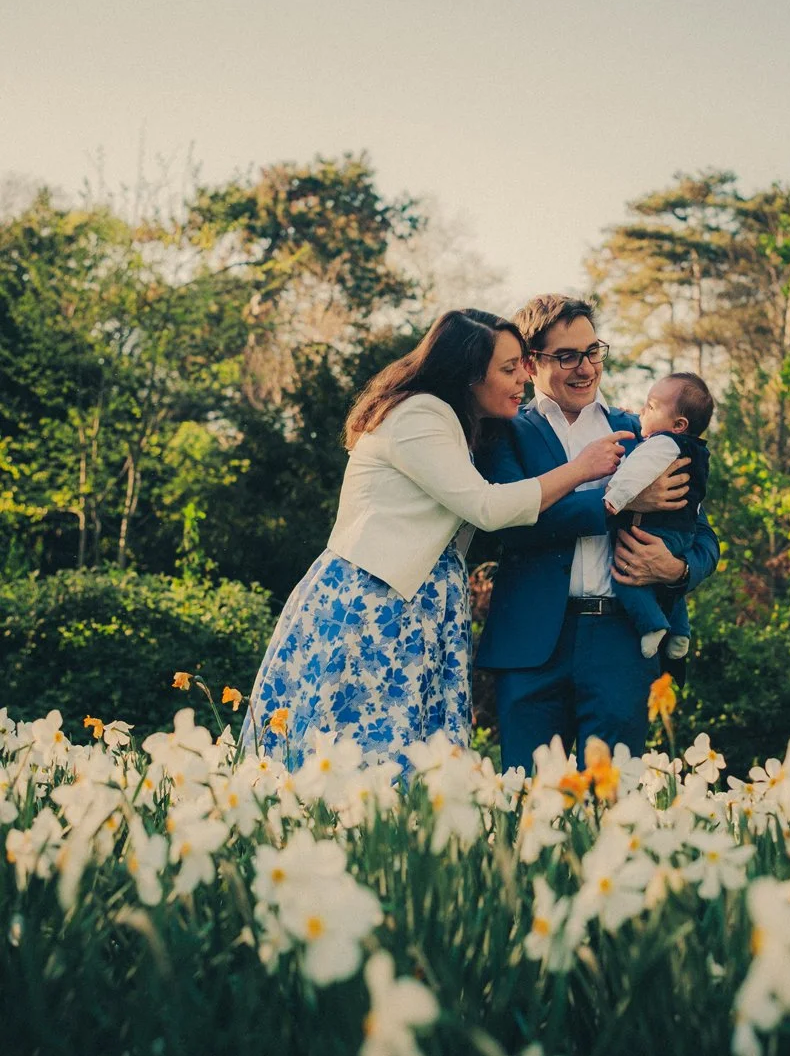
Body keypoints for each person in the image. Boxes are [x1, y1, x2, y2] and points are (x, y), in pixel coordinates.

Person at [240, 309, 630, 769]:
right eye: (508, 368)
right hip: (374, 601)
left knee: (406, 747)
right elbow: (487, 507)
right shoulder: (420, 414)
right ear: (468, 374)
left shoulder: (456, 423)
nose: (522, 378)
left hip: (417, 602)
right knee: (353, 746)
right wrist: (581, 469)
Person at [476, 295, 720, 775]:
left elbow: (703, 535)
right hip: (530, 646)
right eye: (567, 356)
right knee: (527, 801)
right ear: (531, 362)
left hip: (621, 644)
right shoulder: (504, 433)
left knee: (612, 808)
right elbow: (512, 522)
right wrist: (620, 505)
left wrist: (677, 569)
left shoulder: (648, 432)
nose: (585, 368)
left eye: (593, 352)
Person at [603, 370, 714, 664]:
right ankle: (680, 631)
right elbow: (697, 499)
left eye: (650, 407)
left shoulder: (661, 444)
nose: (641, 411)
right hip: (682, 531)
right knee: (662, 585)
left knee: (628, 577)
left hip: (655, 531)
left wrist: (613, 500)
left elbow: (633, 474)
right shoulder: (698, 453)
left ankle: (653, 626)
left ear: (678, 424)